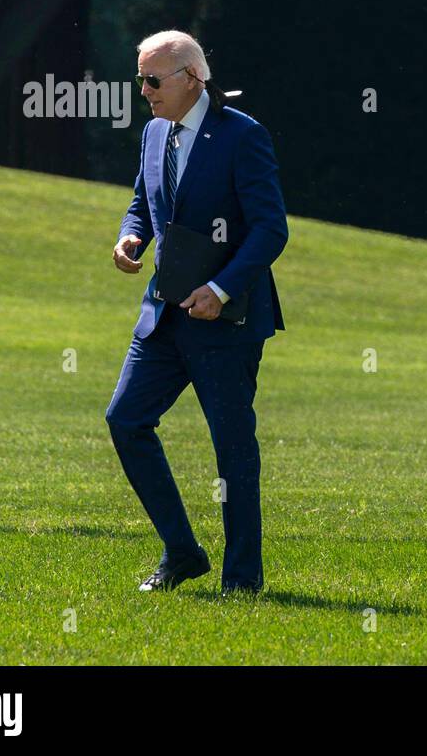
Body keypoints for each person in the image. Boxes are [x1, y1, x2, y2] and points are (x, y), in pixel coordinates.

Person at [105, 30, 287, 595]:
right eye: (140, 79)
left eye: (153, 80)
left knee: (232, 448)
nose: (144, 91)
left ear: (191, 78)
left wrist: (223, 288)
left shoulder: (243, 136)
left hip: (225, 320)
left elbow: (270, 229)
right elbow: (143, 200)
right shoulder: (155, 132)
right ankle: (182, 553)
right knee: (126, 420)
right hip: (163, 315)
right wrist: (130, 237)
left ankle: (243, 579)